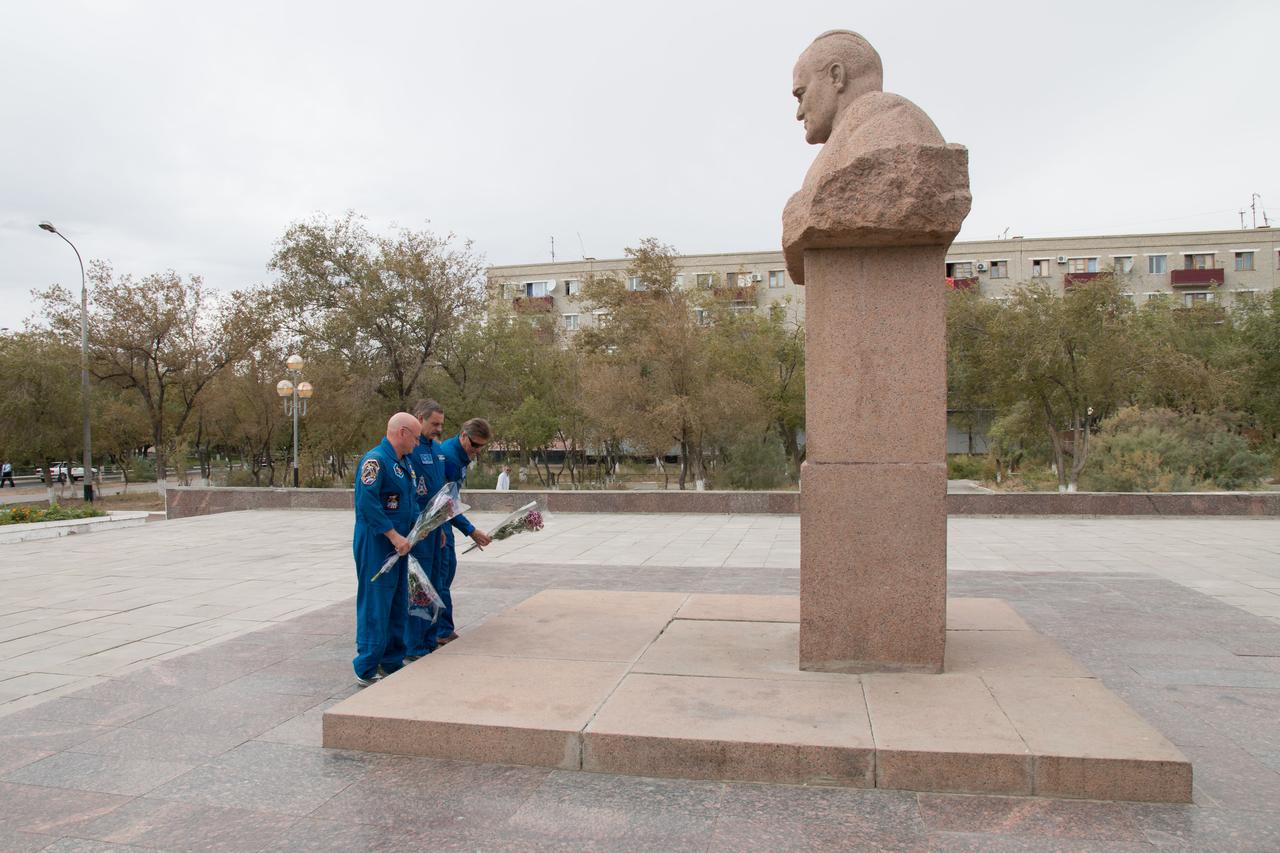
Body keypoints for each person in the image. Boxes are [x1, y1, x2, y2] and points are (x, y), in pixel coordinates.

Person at [351, 412, 420, 687]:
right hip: (378, 543)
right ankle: (366, 666)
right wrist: (393, 535)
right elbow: (367, 504)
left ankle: (391, 660)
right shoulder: (375, 461)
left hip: (401, 543)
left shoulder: (404, 464)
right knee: (376, 602)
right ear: (402, 433)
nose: (417, 442)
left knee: (397, 601)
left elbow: (410, 501)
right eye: (415, 437)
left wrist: (418, 529)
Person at [436, 417, 494, 645]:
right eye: (475, 445)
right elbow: (443, 502)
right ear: (462, 435)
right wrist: (470, 530)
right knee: (441, 575)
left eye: (481, 446)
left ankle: (441, 627)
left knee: (447, 570)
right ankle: (442, 630)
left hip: (446, 520)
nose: (477, 451)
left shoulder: (461, 455)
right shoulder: (449, 457)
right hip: (440, 520)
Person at [403, 398, 448, 661]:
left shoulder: (437, 450)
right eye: (434, 424)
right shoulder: (412, 451)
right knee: (418, 586)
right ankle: (414, 645)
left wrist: (440, 526)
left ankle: (429, 639)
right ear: (419, 419)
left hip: (435, 530)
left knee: (435, 584)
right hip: (417, 530)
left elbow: (439, 491)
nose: (439, 429)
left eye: (441, 424)